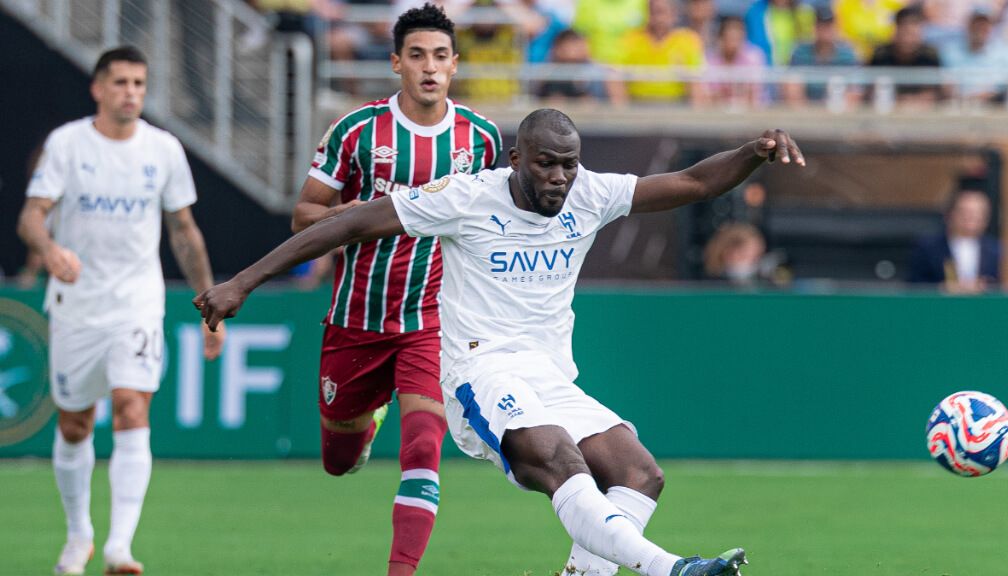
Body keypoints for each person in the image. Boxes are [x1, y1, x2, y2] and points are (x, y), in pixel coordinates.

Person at [195, 108, 805, 576]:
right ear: (516, 158)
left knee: (640, 474)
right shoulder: (467, 197)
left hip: (549, 377)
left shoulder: (590, 192)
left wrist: (755, 151)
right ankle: (672, 568)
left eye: (568, 163)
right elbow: (351, 222)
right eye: (546, 163)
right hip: (477, 375)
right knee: (564, 461)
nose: (560, 177)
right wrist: (242, 283)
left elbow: (694, 183)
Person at [290, 5, 502, 575]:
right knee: (337, 460)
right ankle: (363, 426)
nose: (429, 67)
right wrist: (346, 213)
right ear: (395, 63)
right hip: (356, 318)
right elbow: (302, 212)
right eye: (416, 56)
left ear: (455, 65)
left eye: (439, 56)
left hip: (431, 321)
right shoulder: (357, 130)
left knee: (424, 450)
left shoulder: (480, 139)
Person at [15, 46, 224, 576]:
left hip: (136, 303)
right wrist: (50, 250)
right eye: (121, 82)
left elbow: (184, 231)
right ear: (98, 89)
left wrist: (210, 304)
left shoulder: (164, 149)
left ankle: (119, 548)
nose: (131, 92)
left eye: (139, 83)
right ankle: (79, 534)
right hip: (76, 306)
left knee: (133, 406)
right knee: (75, 424)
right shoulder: (67, 144)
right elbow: (30, 219)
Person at [908, 187, 1001, 293]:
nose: (971, 218)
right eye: (965, 212)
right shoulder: (928, 248)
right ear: (949, 215)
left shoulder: (995, 250)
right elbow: (914, 286)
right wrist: (941, 288)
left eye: (978, 213)